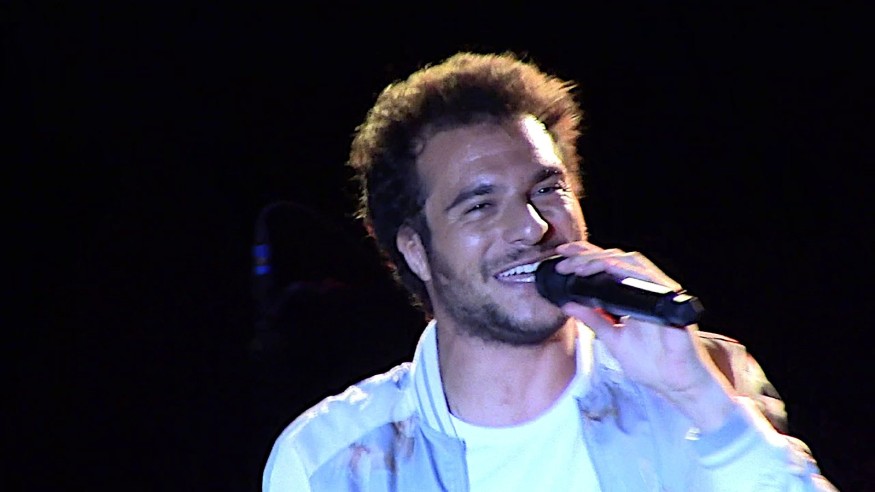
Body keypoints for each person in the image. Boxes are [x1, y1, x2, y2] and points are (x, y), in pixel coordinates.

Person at [262, 51, 836, 491]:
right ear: (415, 251)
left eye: (546, 190)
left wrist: (699, 397)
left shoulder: (707, 380)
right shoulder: (331, 462)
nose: (532, 227)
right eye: (480, 205)